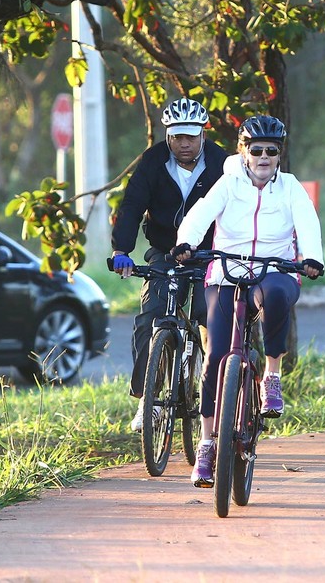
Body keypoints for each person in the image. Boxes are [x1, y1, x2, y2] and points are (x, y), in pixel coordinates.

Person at [170, 115, 324, 488]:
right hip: (225, 274)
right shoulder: (228, 184)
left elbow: (307, 223)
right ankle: (207, 446)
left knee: (274, 295)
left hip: (276, 271)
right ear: (243, 152)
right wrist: (185, 243)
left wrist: (312, 257)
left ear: (279, 155)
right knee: (216, 358)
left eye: (272, 151)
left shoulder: (289, 188)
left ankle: (271, 375)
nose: (265, 157)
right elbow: (199, 215)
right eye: (257, 150)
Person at [110, 98, 227, 432]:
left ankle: (221, 392)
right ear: (168, 135)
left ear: (203, 134)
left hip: (210, 253)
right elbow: (132, 205)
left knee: (213, 315)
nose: (183, 143)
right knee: (151, 316)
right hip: (164, 251)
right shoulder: (153, 161)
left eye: (190, 136)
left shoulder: (223, 163)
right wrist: (122, 249)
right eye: (176, 137)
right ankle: (148, 402)